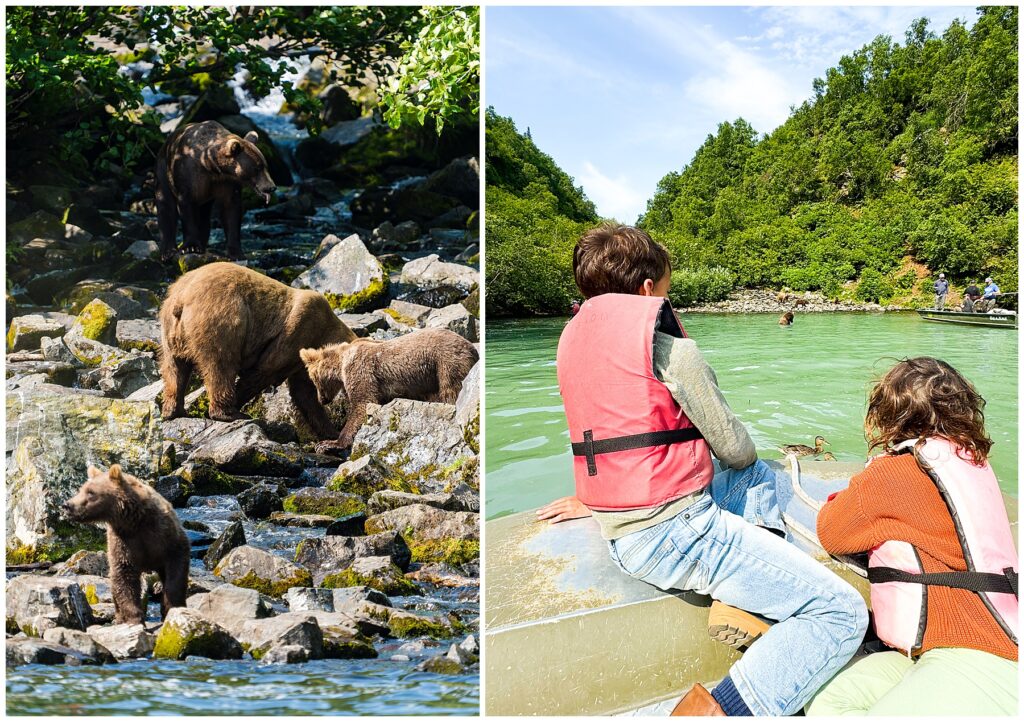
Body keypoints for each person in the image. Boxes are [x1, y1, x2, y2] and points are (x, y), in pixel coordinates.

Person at [538, 223, 868, 716]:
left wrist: (592, 499)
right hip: (674, 533)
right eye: (668, 290)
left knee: (745, 483)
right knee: (841, 611)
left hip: (618, 530)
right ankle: (721, 709)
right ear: (648, 289)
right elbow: (736, 452)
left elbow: (608, 436)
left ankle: (747, 600)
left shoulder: (571, 345)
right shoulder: (673, 353)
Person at [807, 357, 1018, 716]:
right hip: (952, 648)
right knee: (826, 699)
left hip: (981, 657)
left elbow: (831, 531)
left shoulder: (895, 471)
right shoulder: (972, 462)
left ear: (889, 414)